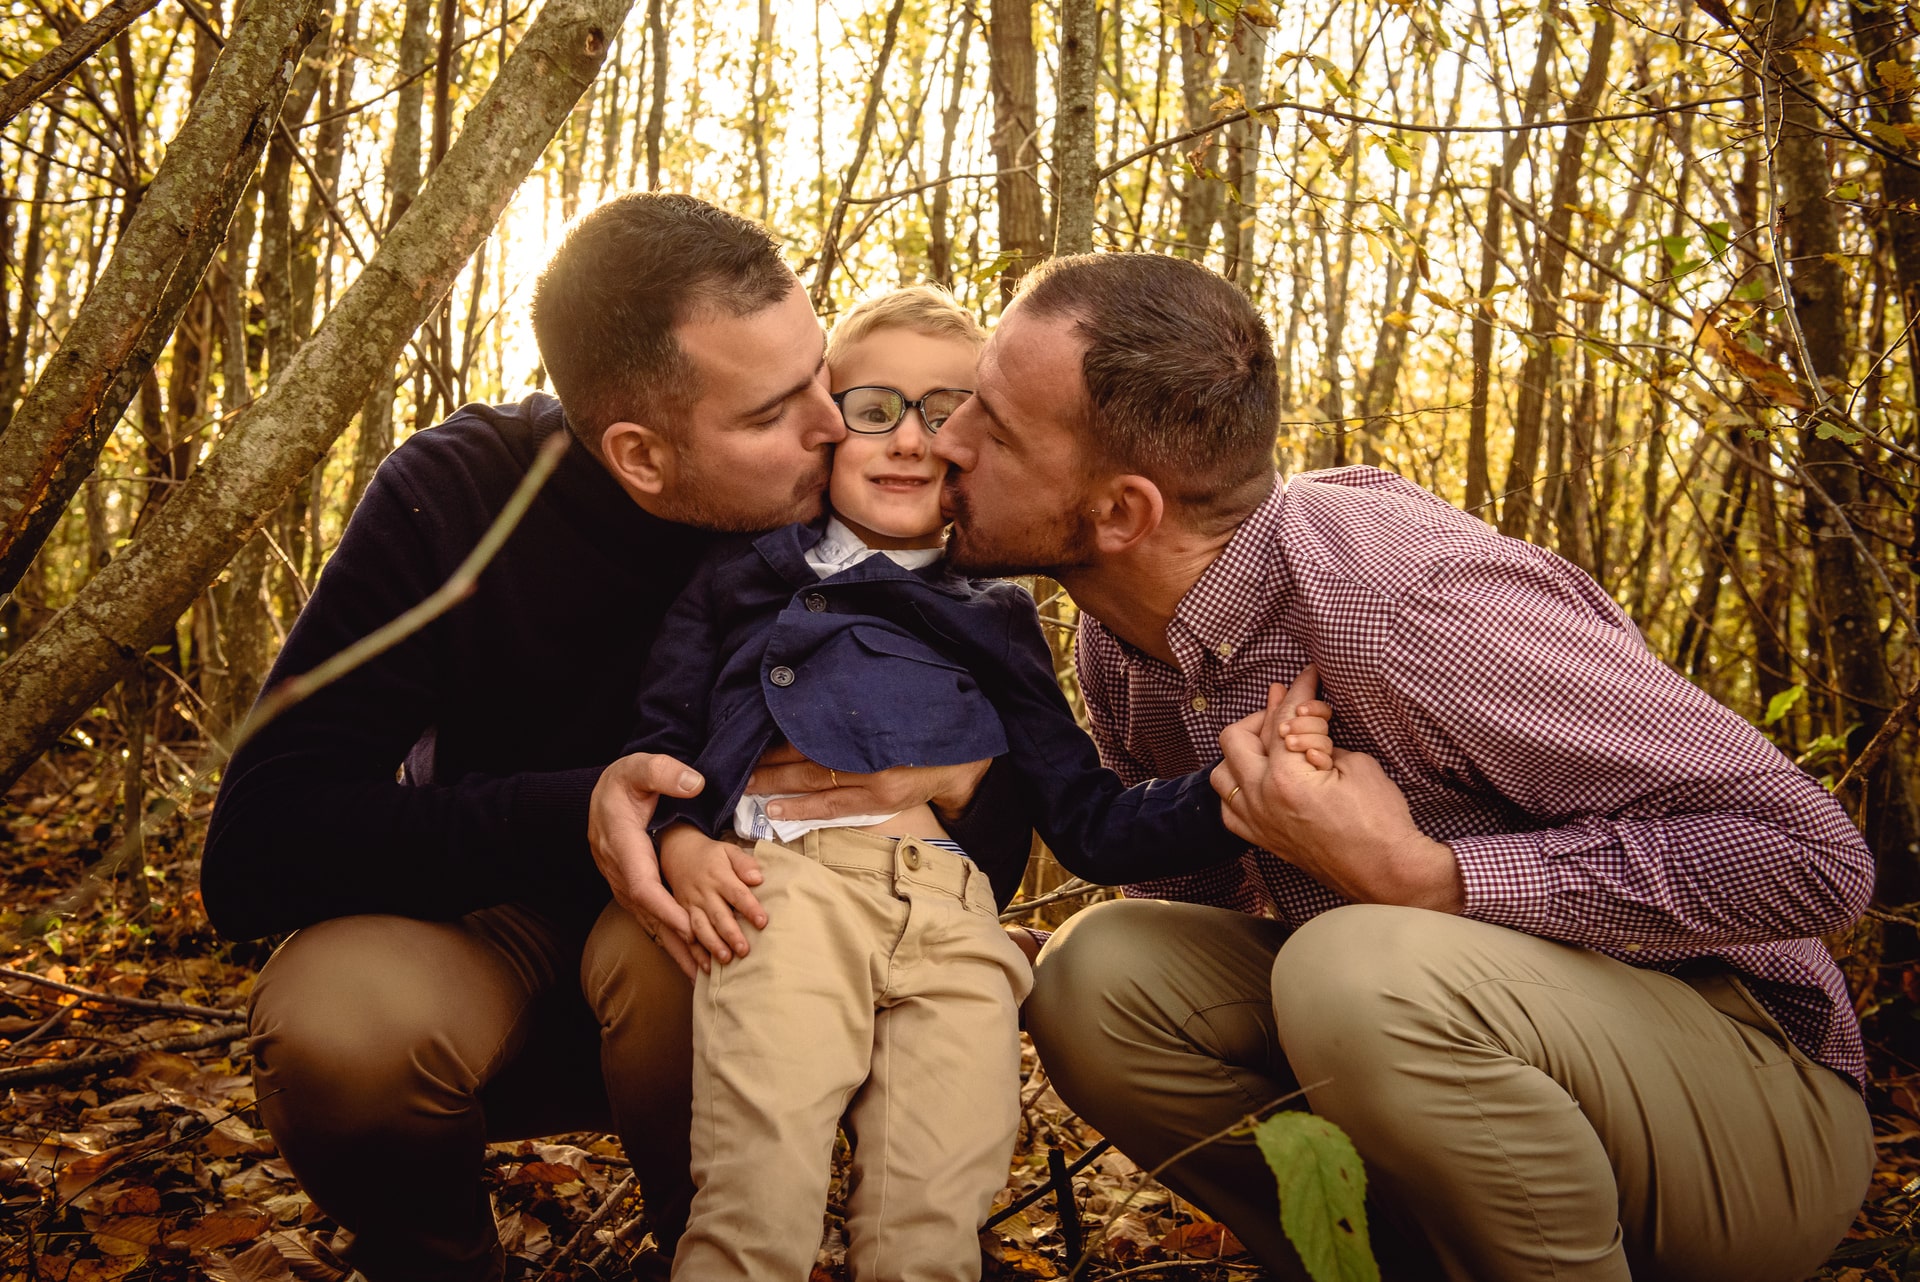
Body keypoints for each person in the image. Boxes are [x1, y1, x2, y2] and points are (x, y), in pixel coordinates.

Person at [927, 250, 1877, 1282]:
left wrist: (1432, 879)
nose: (945, 442)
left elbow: (1814, 860)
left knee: (1355, 964)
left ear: (1123, 512)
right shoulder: (1121, 639)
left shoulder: (1405, 604)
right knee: (1096, 974)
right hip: (1483, 1091)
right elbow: (1196, 904)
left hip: (1751, 1118)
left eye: (993, 425)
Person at [198, 194, 1030, 1282]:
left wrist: (972, 784)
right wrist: (579, 809)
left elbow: (982, 852)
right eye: (776, 410)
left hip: (711, 937)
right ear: (640, 453)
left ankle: (716, 1250)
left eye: (821, 373)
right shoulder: (462, 493)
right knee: (338, 1029)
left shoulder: (867, 529)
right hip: (475, 925)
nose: (833, 424)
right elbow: (260, 844)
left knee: (734, 935)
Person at [631, 286, 1329, 1280]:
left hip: (954, 924)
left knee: (932, 1223)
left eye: (945, 410)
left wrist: (1235, 782)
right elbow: (661, 735)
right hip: (785, 893)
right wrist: (683, 835)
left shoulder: (998, 613)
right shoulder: (741, 575)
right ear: (827, 425)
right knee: (755, 1193)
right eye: (875, 407)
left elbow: (1089, 821)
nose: (911, 438)